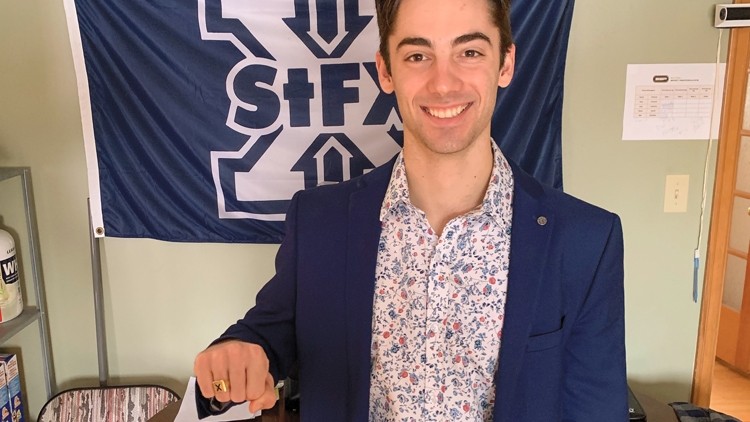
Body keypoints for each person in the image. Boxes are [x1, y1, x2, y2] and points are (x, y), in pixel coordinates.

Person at [193, 0, 627, 420]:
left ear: (506, 64)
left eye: (470, 52)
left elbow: (595, 407)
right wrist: (236, 354)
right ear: (386, 70)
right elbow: (264, 336)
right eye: (418, 56)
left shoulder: (585, 240)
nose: (444, 84)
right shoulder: (319, 222)